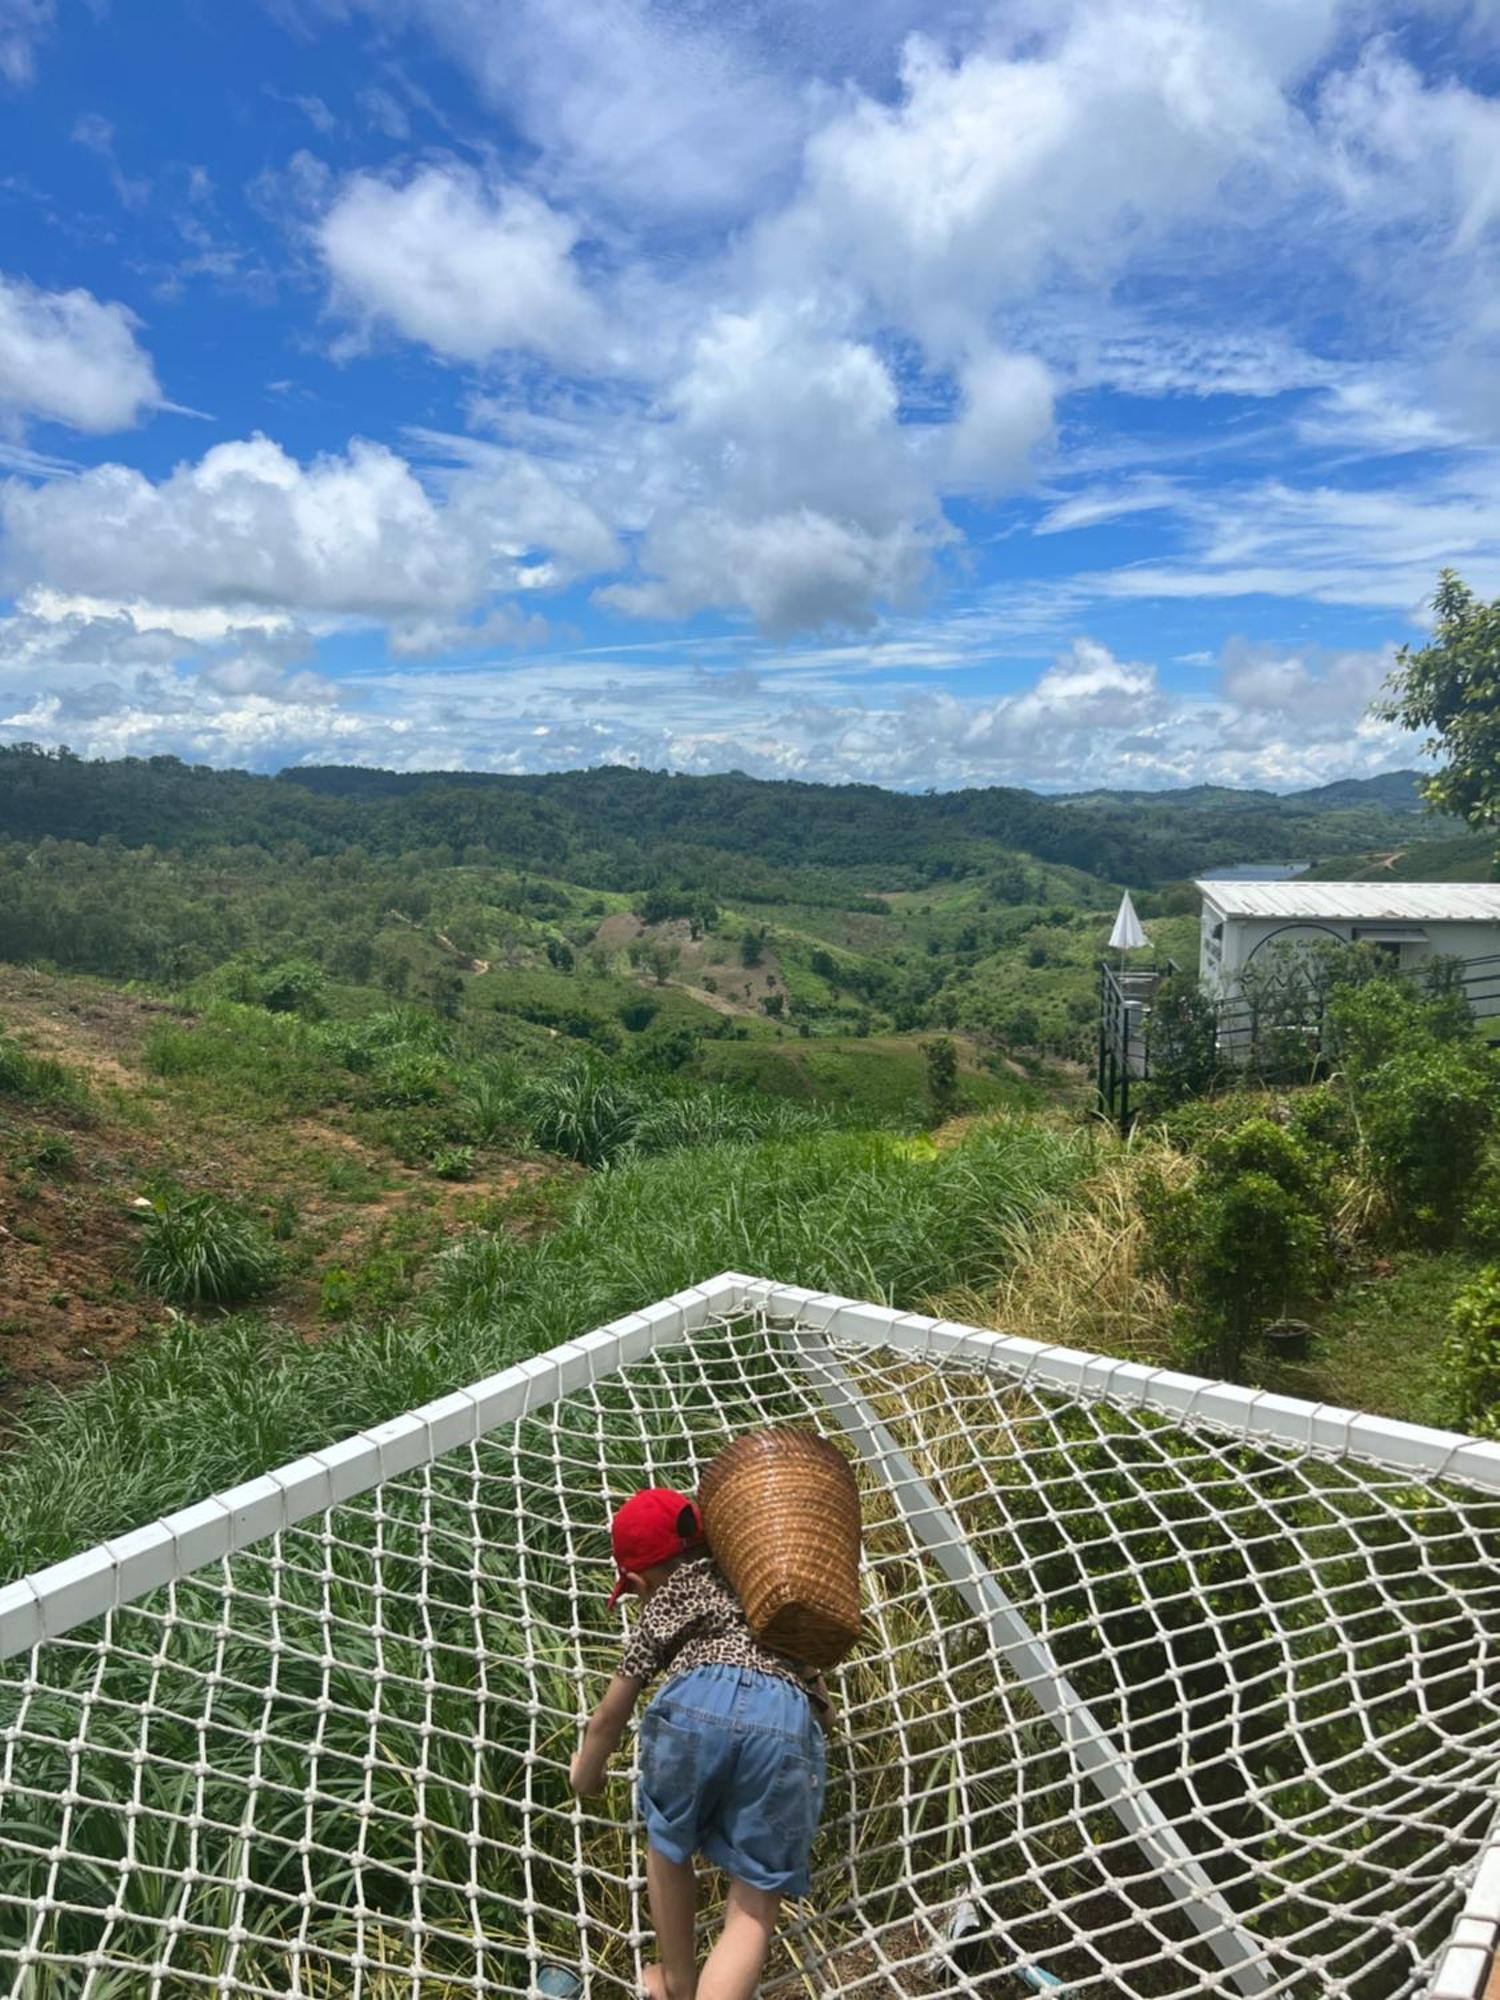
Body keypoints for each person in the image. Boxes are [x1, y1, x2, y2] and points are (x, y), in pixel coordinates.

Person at [570, 1487, 832, 2000]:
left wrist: (587, 1771)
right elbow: (816, 1689)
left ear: (640, 1582)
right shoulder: (755, 1586)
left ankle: (676, 1982)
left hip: (696, 1703)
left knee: (668, 1848)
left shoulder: (664, 1603)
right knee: (755, 1905)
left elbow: (611, 1712)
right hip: (784, 1714)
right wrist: (820, 1726)